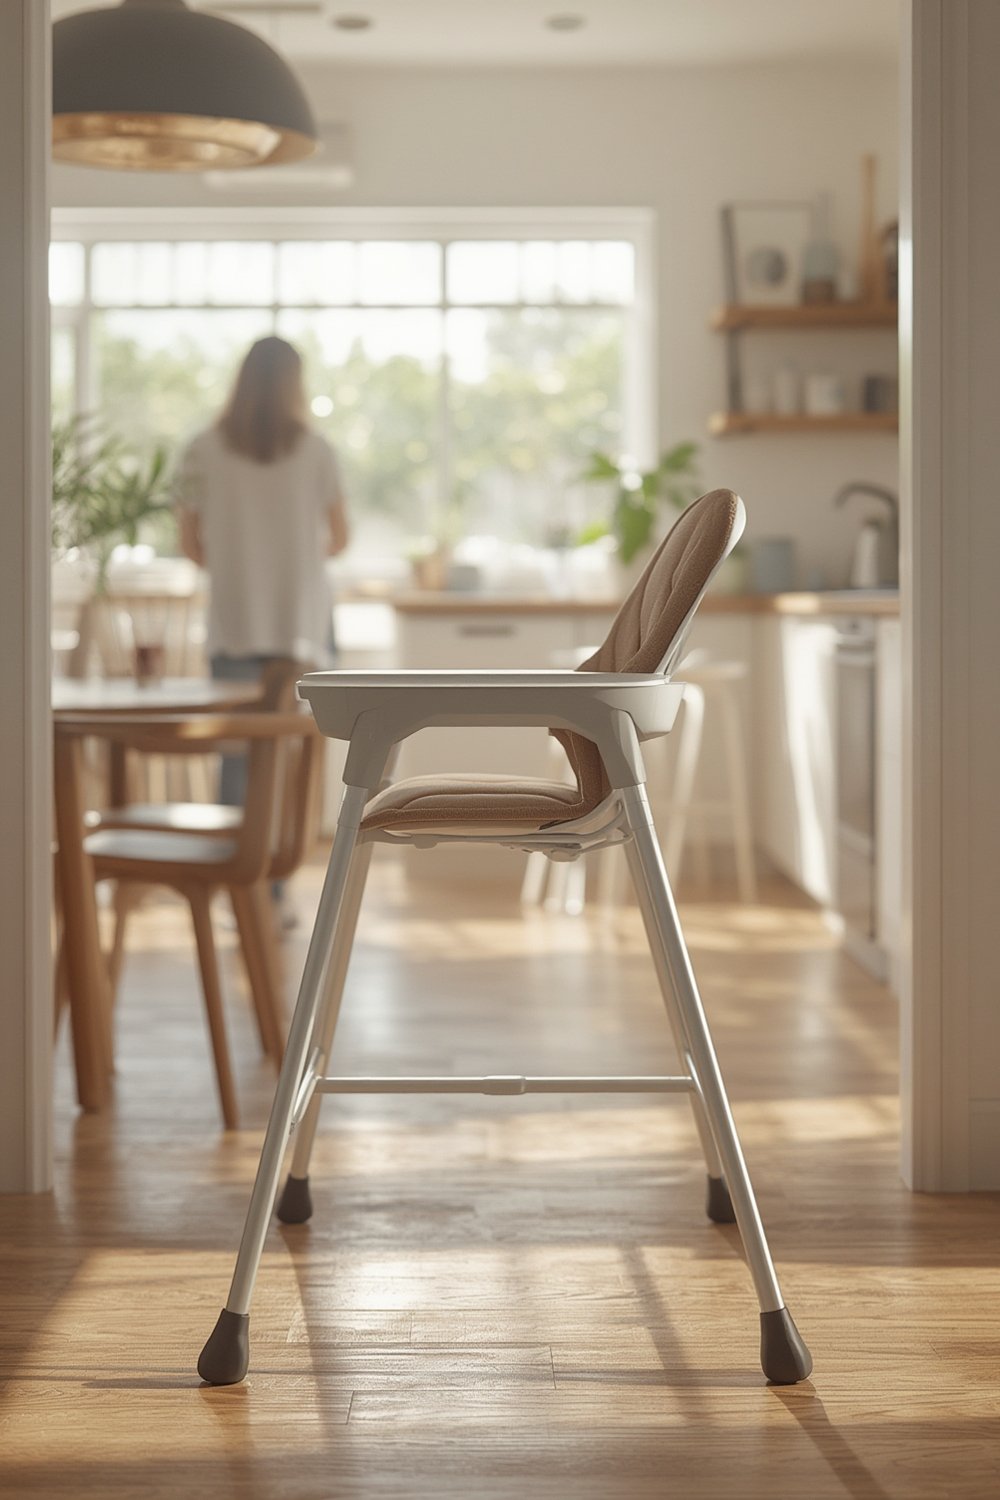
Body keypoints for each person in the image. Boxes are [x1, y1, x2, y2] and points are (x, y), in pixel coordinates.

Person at [177, 335, 349, 803]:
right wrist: (292, 559)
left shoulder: (202, 448)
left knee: (237, 750)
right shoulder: (317, 449)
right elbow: (340, 539)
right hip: (299, 623)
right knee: (289, 753)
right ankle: (274, 872)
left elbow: (190, 545)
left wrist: (239, 563)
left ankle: (237, 871)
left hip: (234, 620)